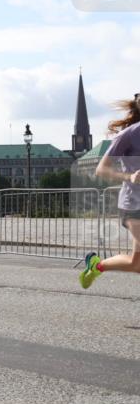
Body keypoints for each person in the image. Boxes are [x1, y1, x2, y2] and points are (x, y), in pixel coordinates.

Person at [80, 93, 140, 288]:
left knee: (136, 264)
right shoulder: (129, 135)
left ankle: (97, 266)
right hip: (133, 206)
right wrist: (129, 177)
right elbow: (101, 169)